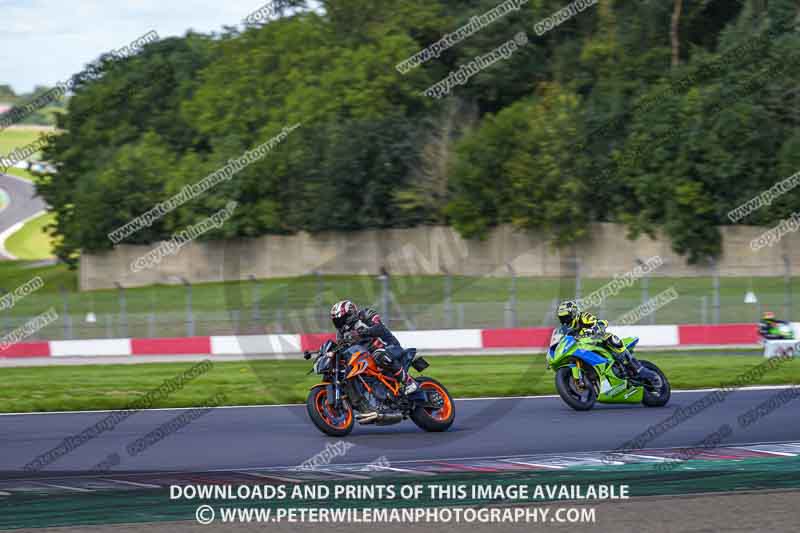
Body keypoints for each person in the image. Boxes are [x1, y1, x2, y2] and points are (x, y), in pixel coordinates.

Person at [330, 300, 418, 394]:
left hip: (389, 347)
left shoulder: (365, 314)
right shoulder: (341, 333)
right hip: (367, 358)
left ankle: (409, 382)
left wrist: (362, 332)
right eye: (337, 321)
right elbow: (342, 348)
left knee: (379, 354)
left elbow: (379, 328)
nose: (339, 323)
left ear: (350, 314)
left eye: (341, 319)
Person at [556, 300, 657, 381]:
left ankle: (637, 367)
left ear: (574, 313)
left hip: (595, 341)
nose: (565, 320)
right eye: (562, 318)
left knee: (610, 338)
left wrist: (594, 329)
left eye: (566, 317)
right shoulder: (565, 330)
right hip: (583, 348)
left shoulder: (584, 317)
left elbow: (599, 323)